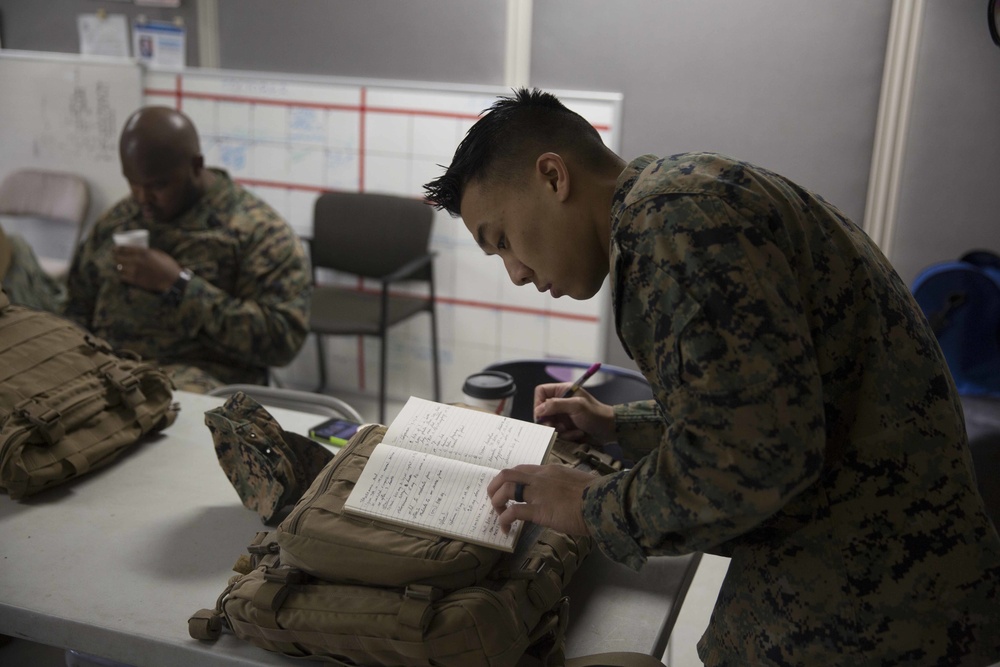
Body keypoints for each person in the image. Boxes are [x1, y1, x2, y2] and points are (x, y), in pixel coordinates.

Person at [423, 88, 1000, 666]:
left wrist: (591, 504)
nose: (517, 273)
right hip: (879, 582)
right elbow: (762, 404)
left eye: (502, 241)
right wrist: (615, 425)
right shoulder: (682, 198)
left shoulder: (676, 225)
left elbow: (752, 462)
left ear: (553, 176)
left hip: (873, 613)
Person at [63, 106, 311, 393]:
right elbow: (76, 307)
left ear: (195, 166)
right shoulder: (118, 221)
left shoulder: (256, 231)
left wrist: (178, 286)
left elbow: (281, 341)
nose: (143, 198)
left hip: (199, 384)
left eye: (158, 185)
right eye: (133, 183)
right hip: (109, 374)